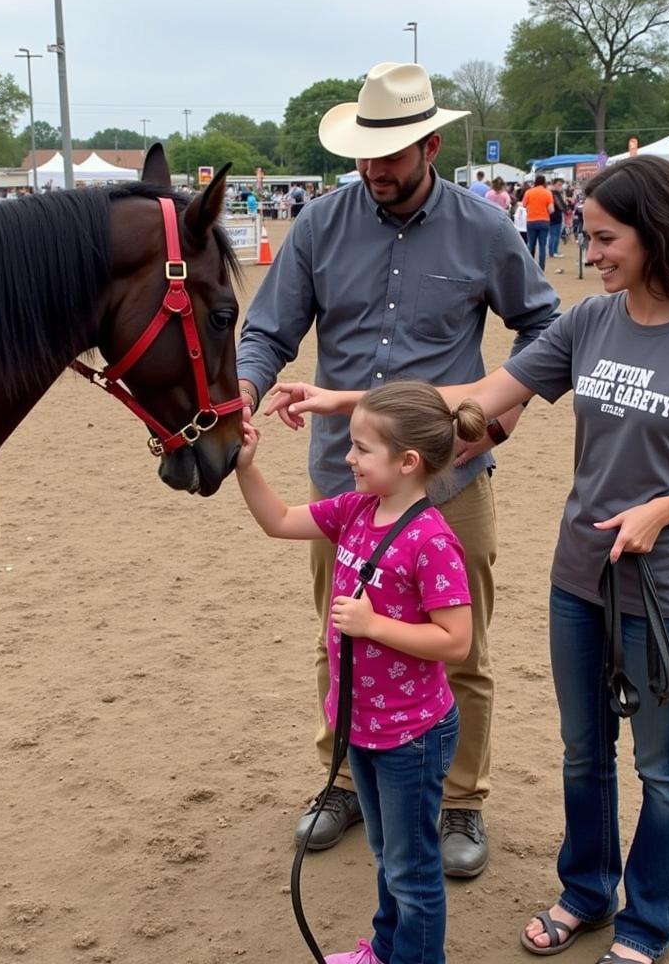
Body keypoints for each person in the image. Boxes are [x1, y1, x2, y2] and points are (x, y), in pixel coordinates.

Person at [272, 155, 669, 964]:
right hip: (581, 579)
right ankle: (586, 892)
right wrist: (341, 401)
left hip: (668, 591)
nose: (591, 249)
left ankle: (644, 926)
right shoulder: (590, 322)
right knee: (585, 751)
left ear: (655, 234)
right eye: (587, 232)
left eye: (605, 237)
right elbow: (478, 396)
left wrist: (668, 507)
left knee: (661, 765)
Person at [236, 60, 560, 879]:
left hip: (452, 480)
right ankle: (344, 779)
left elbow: (544, 331)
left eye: (391, 155)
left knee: (462, 643)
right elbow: (269, 330)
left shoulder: (485, 228)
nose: (374, 171)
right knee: (338, 632)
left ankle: (462, 800)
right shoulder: (318, 224)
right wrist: (245, 386)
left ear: (431, 145)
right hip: (344, 475)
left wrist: (504, 417)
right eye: (364, 156)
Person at [237, 381, 485, 964]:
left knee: (412, 870)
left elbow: (457, 641)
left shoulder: (432, 540)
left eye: (361, 449)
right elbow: (277, 521)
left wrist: (374, 626)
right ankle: (384, 949)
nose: (347, 458)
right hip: (364, 727)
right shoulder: (354, 509)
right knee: (385, 853)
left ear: (407, 462)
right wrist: (247, 468)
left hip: (412, 736)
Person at [523, 174, 554, 269]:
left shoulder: (528, 192)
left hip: (531, 221)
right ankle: (541, 267)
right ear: (544, 182)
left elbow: (524, 205)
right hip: (544, 221)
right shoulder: (548, 193)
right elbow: (551, 210)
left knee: (530, 245)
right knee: (542, 246)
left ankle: (529, 266)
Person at [548, 178, 567, 259]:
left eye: (561, 185)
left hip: (553, 216)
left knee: (554, 235)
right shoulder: (554, 193)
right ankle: (553, 252)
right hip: (555, 216)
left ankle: (553, 251)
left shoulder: (551, 193)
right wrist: (566, 208)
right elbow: (560, 205)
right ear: (554, 184)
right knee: (554, 235)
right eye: (559, 185)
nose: (561, 187)